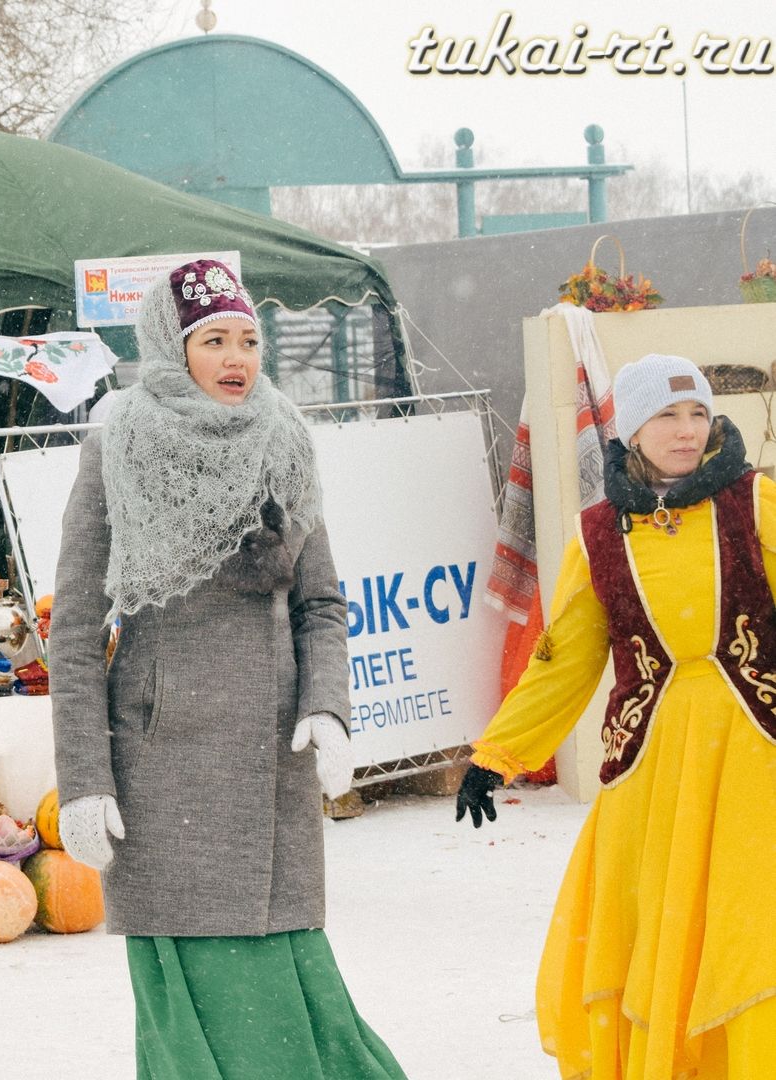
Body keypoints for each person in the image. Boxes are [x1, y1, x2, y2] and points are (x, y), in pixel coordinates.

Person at [48, 259, 405, 1079]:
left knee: (296, 996)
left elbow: (322, 603)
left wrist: (327, 705)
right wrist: (85, 780)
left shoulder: (285, 440)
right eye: (214, 340)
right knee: (195, 1019)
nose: (237, 357)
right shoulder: (118, 445)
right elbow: (73, 633)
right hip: (161, 778)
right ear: (172, 350)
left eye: (248, 339)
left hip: (268, 772)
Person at [456, 354, 776, 1079]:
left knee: (750, 929)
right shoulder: (598, 533)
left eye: (697, 413)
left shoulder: (754, 503)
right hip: (653, 771)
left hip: (756, 756)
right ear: (631, 427)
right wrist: (496, 754)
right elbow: (563, 656)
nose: (687, 430)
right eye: (667, 415)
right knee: (659, 934)